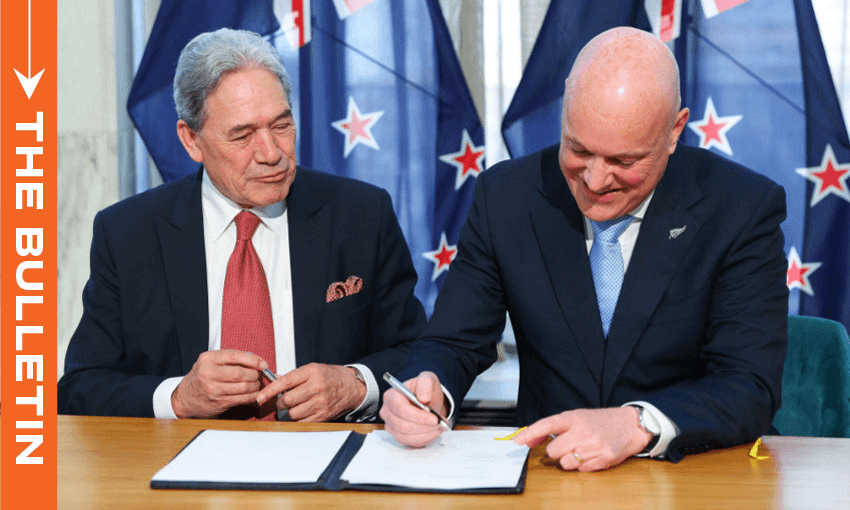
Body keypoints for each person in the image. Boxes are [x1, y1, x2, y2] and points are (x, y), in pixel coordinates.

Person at [380, 27, 788, 471]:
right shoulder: (507, 197)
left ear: (674, 131)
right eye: (578, 150)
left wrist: (637, 424)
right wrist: (426, 389)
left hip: (691, 472)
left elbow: (749, 385)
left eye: (623, 162)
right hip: (547, 472)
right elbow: (453, 341)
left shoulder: (741, 208)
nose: (594, 181)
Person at [58, 28, 426, 422]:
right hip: (178, 463)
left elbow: (421, 352)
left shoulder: (361, 215)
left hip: (321, 458)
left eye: (281, 125)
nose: (271, 154)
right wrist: (179, 398)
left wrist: (355, 384)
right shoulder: (128, 234)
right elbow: (82, 387)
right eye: (243, 135)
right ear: (191, 141)